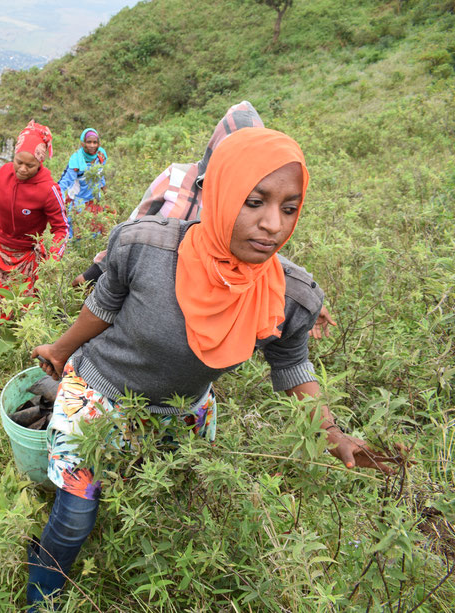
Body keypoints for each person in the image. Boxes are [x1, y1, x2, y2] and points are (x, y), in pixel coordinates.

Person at [26, 128, 403, 609]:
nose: (272, 225)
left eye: (289, 208)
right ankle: (42, 594)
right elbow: (102, 306)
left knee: (168, 501)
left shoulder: (288, 295)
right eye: (254, 202)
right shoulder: (146, 248)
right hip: (100, 389)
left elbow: (291, 364)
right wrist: (59, 351)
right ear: (222, 192)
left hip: (183, 408)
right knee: (78, 512)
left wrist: (330, 430)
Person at [72, 101, 337, 339]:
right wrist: (93, 273)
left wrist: (307, 295)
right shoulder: (177, 177)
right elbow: (132, 231)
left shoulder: (257, 198)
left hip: (202, 312)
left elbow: (260, 255)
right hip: (143, 295)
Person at [0, 121, 70, 321]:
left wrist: (52, 258)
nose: (23, 169)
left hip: (25, 257)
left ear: (40, 164)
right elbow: (0, 203)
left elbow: (61, 229)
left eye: (30, 165)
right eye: (19, 162)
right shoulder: (3, 174)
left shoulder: (49, 190)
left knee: (21, 311)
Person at [57, 128, 110, 237]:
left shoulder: (101, 155)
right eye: (88, 142)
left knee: (96, 231)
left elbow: (101, 175)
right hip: (79, 201)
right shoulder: (76, 160)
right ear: (82, 143)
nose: (92, 145)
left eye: (95, 142)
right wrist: (58, 204)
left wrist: (107, 194)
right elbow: (64, 184)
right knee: (78, 233)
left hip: (95, 199)